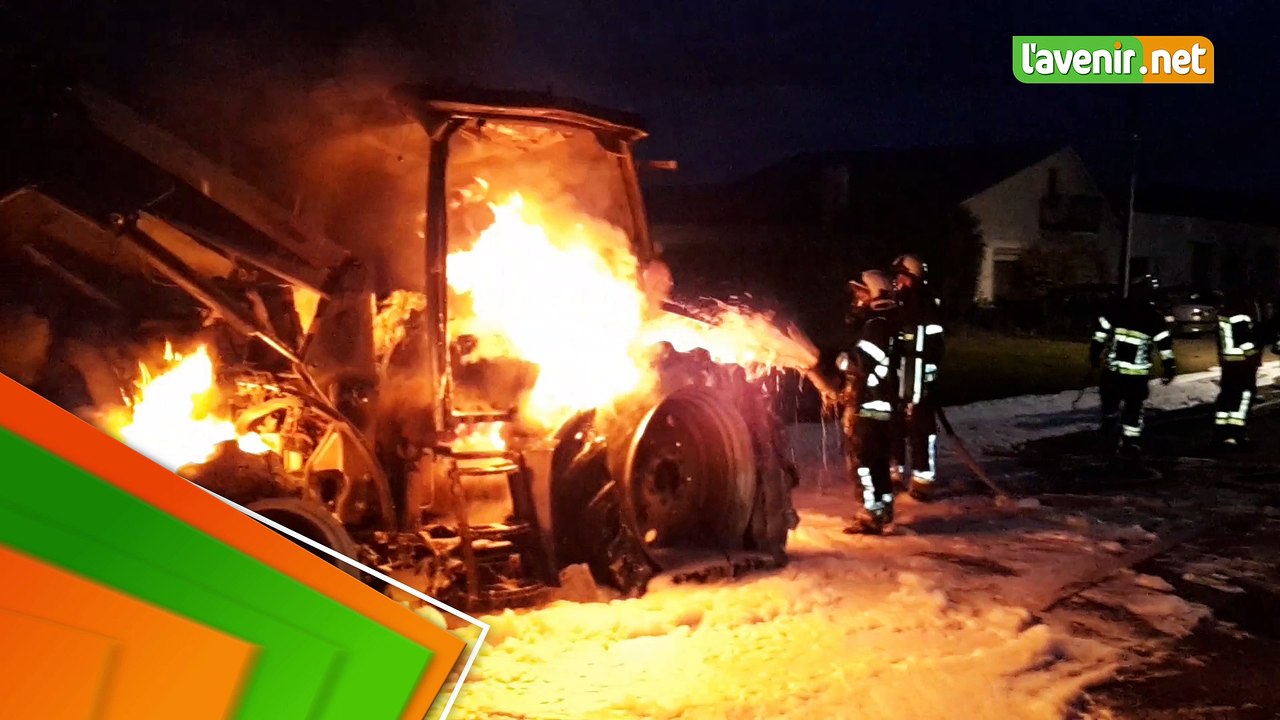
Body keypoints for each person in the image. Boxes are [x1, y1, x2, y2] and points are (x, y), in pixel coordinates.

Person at [837, 270, 900, 534]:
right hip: (881, 407)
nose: (857, 300)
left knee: (865, 463)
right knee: (877, 463)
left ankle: (871, 513)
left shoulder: (877, 327)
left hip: (872, 407)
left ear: (876, 296)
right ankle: (881, 509)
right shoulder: (885, 323)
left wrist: (841, 361)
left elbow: (860, 363)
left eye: (861, 294)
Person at [1089, 275, 1176, 455]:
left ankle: (1109, 433)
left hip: (1114, 371)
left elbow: (1100, 334)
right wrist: (1170, 368)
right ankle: (1130, 442)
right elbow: (1164, 347)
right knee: (1133, 409)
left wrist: (1094, 354)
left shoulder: (1116, 311)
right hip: (1137, 375)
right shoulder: (1154, 318)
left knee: (1110, 405)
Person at [888, 253, 945, 501]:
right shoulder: (896, 305)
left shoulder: (926, 307)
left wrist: (926, 378)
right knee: (894, 426)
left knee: (921, 430)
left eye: (902, 277)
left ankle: (923, 480)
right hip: (898, 377)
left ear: (914, 278)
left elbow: (935, 347)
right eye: (897, 277)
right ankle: (894, 474)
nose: (898, 282)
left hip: (919, 381)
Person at [1213, 286, 1262, 448]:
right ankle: (1237, 433)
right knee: (1243, 397)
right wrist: (1254, 355)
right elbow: (1244, 341)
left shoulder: (1223, 313)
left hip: (1228, 364)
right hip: (1242, 365)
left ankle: (1221, 433)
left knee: (1227, 397)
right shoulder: (1240, 315)